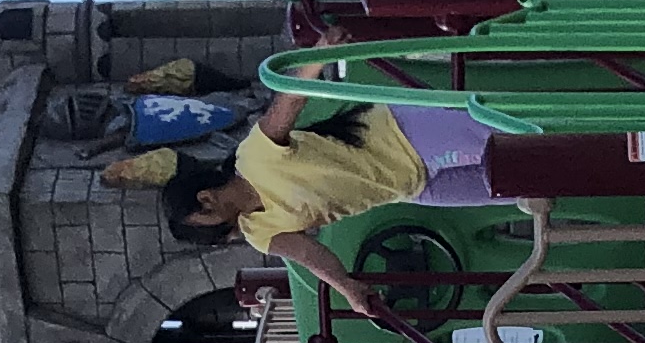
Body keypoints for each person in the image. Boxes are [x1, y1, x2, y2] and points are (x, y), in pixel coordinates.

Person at [150, 84, 497, 316]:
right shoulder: (259, 231)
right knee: (517, 186)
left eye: (208, 229)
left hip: (404, 134)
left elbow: (290, 101)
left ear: (206, 199)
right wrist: (346, 287)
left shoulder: (254, 157)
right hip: (412, 186)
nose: (221, 236)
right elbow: (310, 256)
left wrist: (318, 53)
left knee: (515, 139)